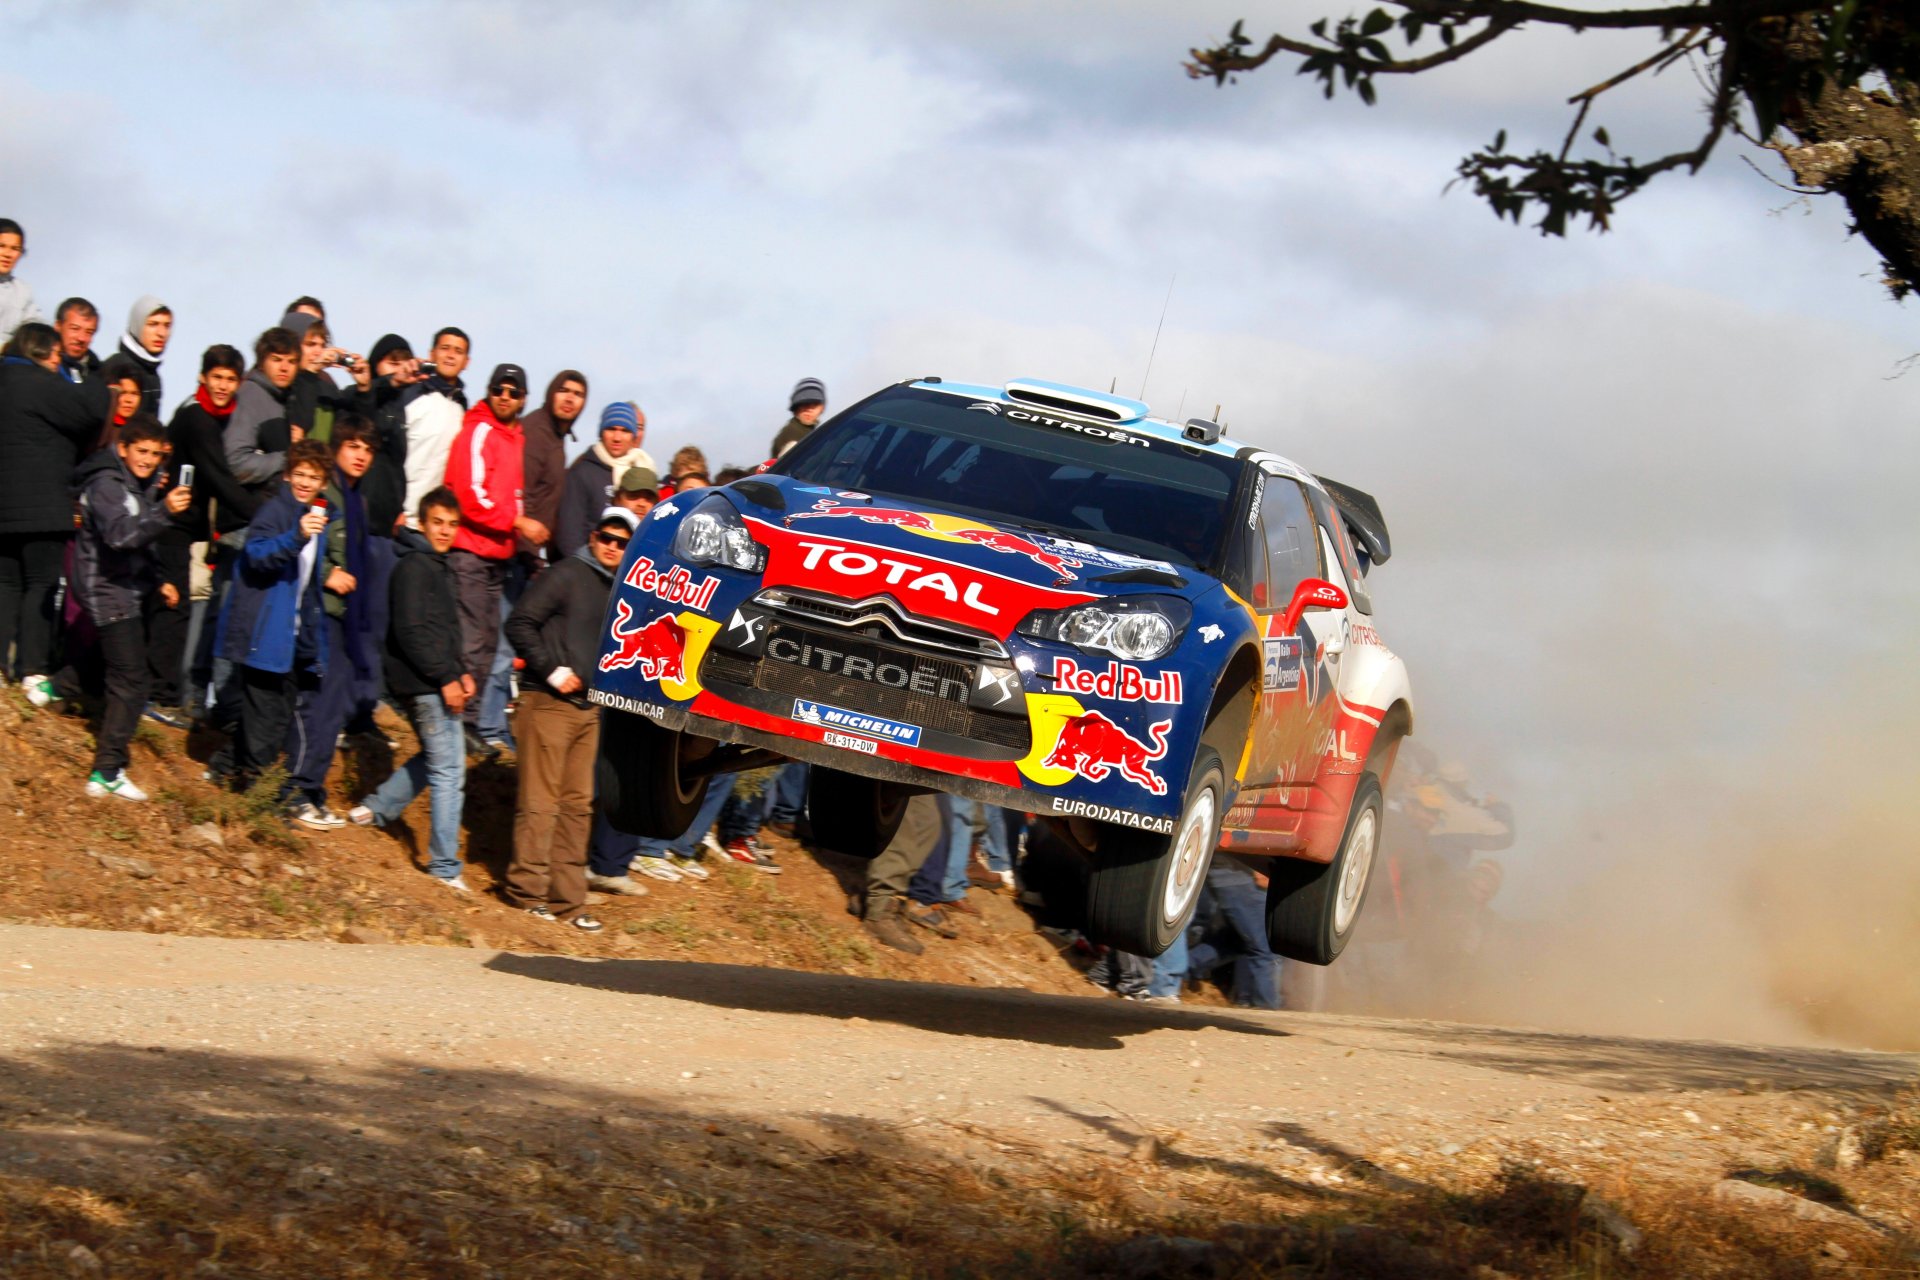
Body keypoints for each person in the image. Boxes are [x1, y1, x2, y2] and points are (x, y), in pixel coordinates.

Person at [42, 414, 192, 798]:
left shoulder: (137, 484)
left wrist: (160, 581)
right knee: (133, 679)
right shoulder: (109, 485)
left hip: (125, 588)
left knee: (105, 662)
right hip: (107, 590)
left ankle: (54, 687)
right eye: (141, 451)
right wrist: (165, 512)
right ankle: (107, 771)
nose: (147, 459)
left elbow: (142, 542)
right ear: (123, 448)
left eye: (155, 454)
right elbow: (121, 536)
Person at [500, 507, 635, 931]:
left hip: (590, 709)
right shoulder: (565, 573)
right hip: (547, 703)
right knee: (540, 803)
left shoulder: (618, 588)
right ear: (593, 536)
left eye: (622, 541)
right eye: (606, 537)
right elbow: (519, 622)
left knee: (577, 807)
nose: (612, 546)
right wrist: (552, 669)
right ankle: (528, 893)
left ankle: (568, 901)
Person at [348, 487, 473, 894]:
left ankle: (376, 808)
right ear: (422, 522)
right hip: (426, 684)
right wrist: (446, 677)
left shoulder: (434, 565)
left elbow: (443, 631)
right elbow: (412, 631)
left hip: (433, 680)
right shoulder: (416, 567)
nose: (445, 531)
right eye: (438, 522)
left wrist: (463, 671)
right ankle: (443, 865)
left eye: (452, 524)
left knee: (437, 760)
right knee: (449, 771)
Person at [281, 418, 392, 829]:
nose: (361, 455)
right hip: (321, 612)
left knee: (333, 709)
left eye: (368, 449)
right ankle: (296, 791)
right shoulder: (324, 492)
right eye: (353, 446)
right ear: (337, 448)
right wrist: (328, 572)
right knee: (317, 705)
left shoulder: (356, 501)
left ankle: (311, 790)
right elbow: (304, 540)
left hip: (347, 618)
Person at [212, 441, 333, 793]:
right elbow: (256, 553)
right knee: (264, 717)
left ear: (323, 483)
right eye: (299, 475)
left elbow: (307, 586)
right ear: (286, 475)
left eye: (314, 477)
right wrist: (295, 536)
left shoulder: (319, 519)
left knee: (277, 715)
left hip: (292, 636)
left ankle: (223, 769)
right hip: (264, 633)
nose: (305, 483)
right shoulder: (276, 512)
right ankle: (254, 796)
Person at [0, 323, 109, 693]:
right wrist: (95, 371)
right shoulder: (41, 383)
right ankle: (32, 669)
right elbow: (92, 410)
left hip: (4, 507)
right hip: (42, 506)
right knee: (41, 584)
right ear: (44, 353)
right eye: (56, 355)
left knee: (6, 583)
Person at [165, 344, 259, 718]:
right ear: (203, 378)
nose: (222, 386)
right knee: (178, 610)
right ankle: (168, 698)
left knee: (198, 612)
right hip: (173, 525)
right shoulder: (198, 418)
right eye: (216, 377)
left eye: (230, 379)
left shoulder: (223, 417)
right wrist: (264, 515)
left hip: (196, 529)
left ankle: (184, 699)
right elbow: (221, 478)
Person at [443, 362, 531, 751]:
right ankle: (458, 718)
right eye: (500, 389)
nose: (505, 397)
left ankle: (472, 720)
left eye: (513, 392)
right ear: (489, 391)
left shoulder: (516, 438)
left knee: (489, 643)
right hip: (471, 550)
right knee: (472, 640)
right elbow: (469, 496)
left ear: (523, 399)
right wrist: (517, 522)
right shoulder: (478, 431)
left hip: (497, 555)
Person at [1184, 856, 1283, 1010]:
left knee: (1237, 942)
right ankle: (1266, 1007)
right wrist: (1260, 867)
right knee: (1266, 947)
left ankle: (1182, 970)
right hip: (1241, 874)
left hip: (1228, 873)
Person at [556, 400, 650, 557]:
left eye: (625, 431)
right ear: (601, 433)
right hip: (587, 568)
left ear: (633, 436)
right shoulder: (582, 472)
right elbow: (569, 533)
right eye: (611, 429)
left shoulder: (643, 471)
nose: (617, 438)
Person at [399, 327, 471, 528]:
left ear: (466, 362)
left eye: (458, 351)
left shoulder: (462, 408)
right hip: (402, 518)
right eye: (445, 348)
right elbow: (390, 455)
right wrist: (394, 508)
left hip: (435, 525)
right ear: (432, 354)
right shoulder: (410, 395)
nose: (450, 356)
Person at [518, 370, 586, 569]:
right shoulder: (536, 432)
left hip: (532, 552)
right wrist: (527, 551)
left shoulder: (556, 436)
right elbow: (521, 492)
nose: (569, 398)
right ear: (551, 393)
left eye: (577, 394)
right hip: (519, 552)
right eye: (563, 390)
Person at [223, 327, 300, 496]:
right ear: (261, 362)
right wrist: (289, 459)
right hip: (246, 516)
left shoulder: (286, 399)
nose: (284, 368)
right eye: (276, 359)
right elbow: (236, 463)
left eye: (292, 361)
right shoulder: (249, 396)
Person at [118, 296, 172, 415]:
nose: (161, 333)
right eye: (153, 324)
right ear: (137, 325)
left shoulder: (152, 373)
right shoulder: (118, 368)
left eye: (167, 326)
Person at [0, 219, 40, 346]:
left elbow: (35, 329)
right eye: (2, 246)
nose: (8, 254)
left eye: (15, 249)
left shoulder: (22, 291)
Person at [770, 377, 826, 457]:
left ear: (821, 408)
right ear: (796, 408)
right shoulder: (791, 433)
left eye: (814, 405)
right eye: (805, 404)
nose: (809, 410)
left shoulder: (817, 434)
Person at [54, 298, 100, 384]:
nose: (81, 338)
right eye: (75, 329)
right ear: (58, 326)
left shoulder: (100, 373)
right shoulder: (40, 364)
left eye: (89, 332)